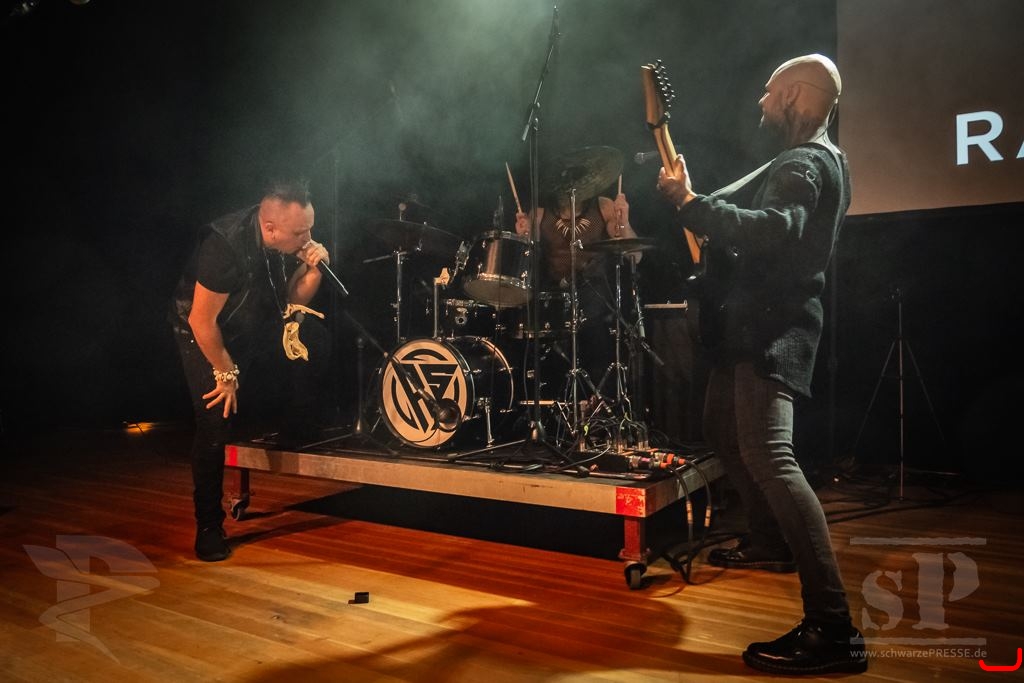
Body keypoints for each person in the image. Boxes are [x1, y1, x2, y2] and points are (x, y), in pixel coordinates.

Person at [656, 54, 865, 675]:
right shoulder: (815, 159)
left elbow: (773, 231)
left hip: (770, 331)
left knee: (772, 457)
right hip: (751, 327)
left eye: (769, 93)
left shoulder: (803, 163)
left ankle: (834, 629)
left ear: (796, 95)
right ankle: (770, 542)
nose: (761, 103)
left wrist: (690, 203)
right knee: (722, 430)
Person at [170, 178, 334, 562]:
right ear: (270, 228)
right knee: (216, 419)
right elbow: (201, 320)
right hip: (204, 334)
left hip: (251, 324)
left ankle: (295, 426)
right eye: (301, 232)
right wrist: (225, 372)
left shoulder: (281, 242)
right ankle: (209, 525)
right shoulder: (224, 246)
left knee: (316, 336)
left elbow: (292, 299)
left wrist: (313, 270)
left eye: (310, 228)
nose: (308, 238)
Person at [513, 187, 640, 410]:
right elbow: (527, 263)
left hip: (596, 296)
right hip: (557, 298)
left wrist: (625, 222)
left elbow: (635, 255)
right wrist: (523, 237)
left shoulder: (603, 206)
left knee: (596, 334)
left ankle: (600, 407)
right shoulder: (539, 214)